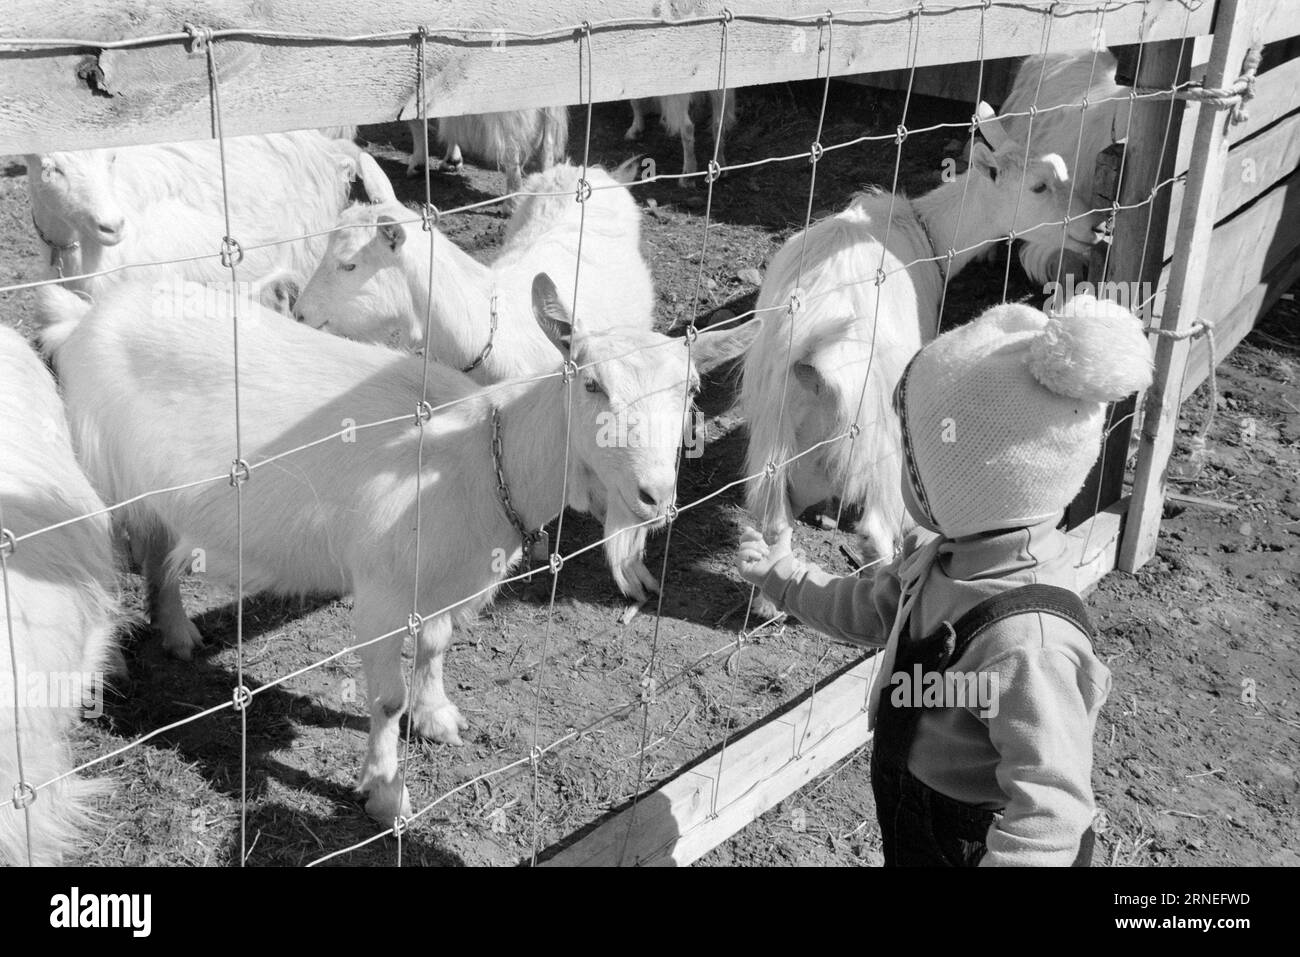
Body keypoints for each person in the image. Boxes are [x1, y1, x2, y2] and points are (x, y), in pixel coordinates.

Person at [737, 295, 1153, 866]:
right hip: (916, 804)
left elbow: (1051, 812)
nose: (895, 471)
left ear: (961, 483)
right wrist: (784, 578)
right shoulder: (947, 558)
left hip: (972, 839)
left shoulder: (1029, 644)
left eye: (909, 458)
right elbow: (874, 609)